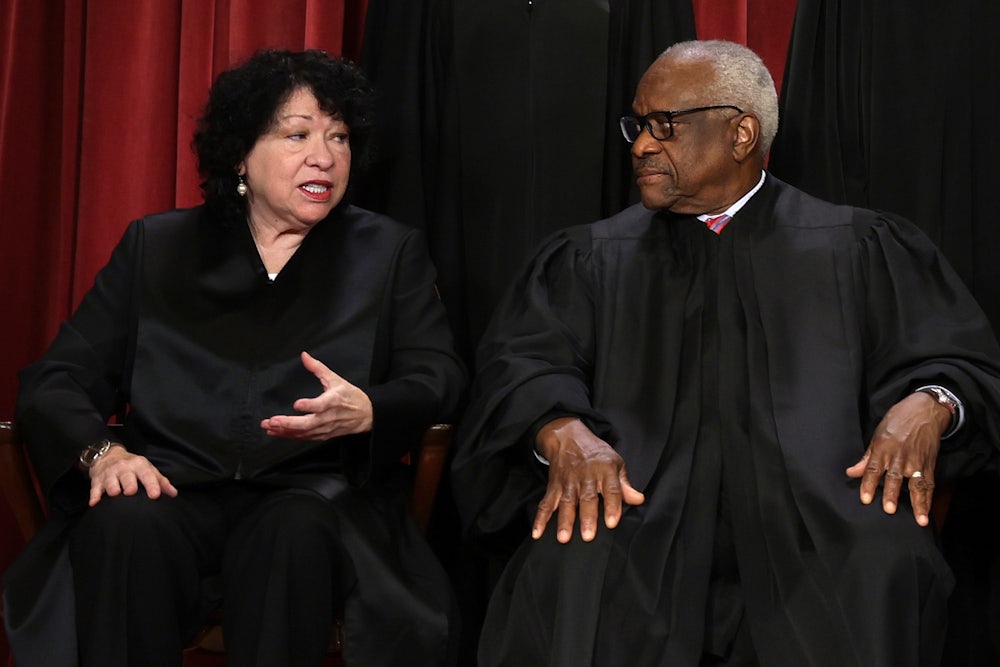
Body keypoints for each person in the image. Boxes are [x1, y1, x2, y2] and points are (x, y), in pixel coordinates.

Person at [451, 39, 1000, 666]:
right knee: (570, 565)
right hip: (636, 511)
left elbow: (962, 363)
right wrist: (560, 430)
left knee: (882, 566)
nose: (640, 146)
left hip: (819, 514)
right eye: (638, 125)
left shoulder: (859, 246)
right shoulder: (589, 259)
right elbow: (520, 367)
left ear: (741, 134)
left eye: (665, 126)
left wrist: (931, 405)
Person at [4, 49, 465, 667]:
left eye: (339, 137)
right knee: (122, 521)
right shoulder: (157, 246)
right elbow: (57, 379)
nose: (324, 158)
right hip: (173, 486)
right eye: (296, 134)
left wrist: (370, 409)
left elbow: (437, 373)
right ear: (241, 154)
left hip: (312, 494)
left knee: (292, 531)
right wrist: (102, 452)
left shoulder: (387, 252)